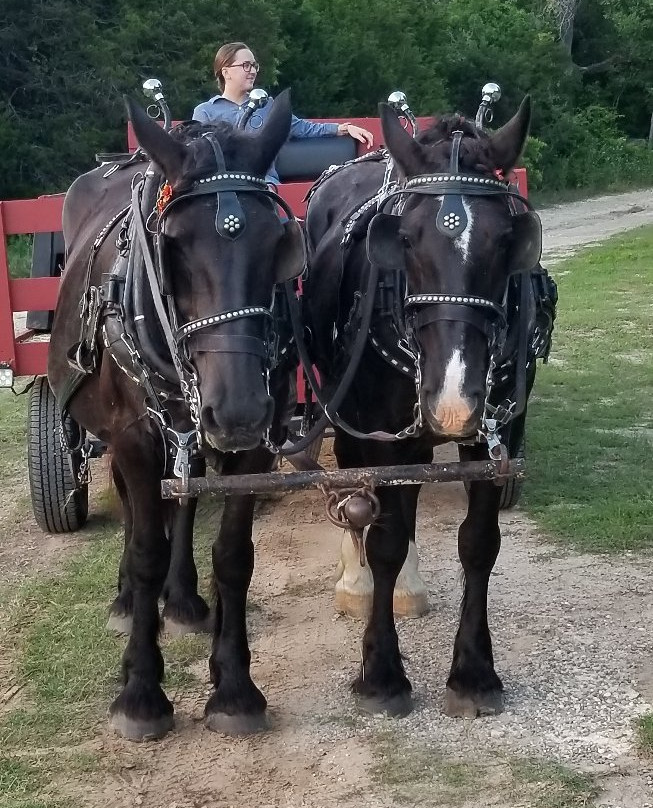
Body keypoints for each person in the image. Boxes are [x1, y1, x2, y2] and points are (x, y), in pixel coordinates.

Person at [192, 42, 374, 189]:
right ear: (226, 72)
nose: (253, 71)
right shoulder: (206, 111)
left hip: (263, 183)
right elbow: (200, 157)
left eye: (254, 66)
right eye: (246, 65)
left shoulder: (266, 105)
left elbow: (302, 128)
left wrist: (343, 129)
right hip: (224, 186)